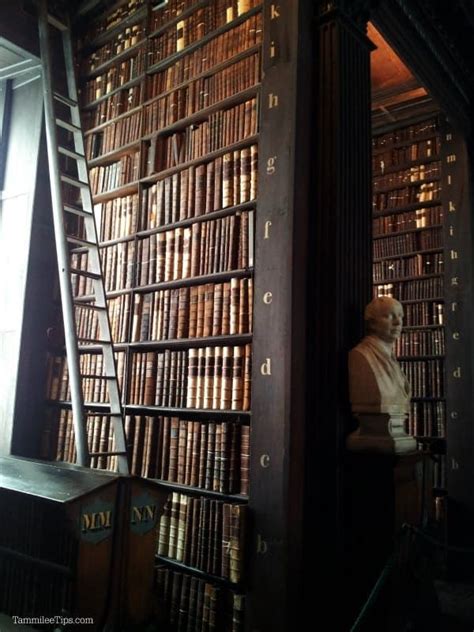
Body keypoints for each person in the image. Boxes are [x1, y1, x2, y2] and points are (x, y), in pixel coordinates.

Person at [348, 295, 411, 416]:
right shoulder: (361, 356)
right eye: (389, 316)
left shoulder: (391, 358)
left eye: (400, 316)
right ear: (372, 323)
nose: (398, 323)